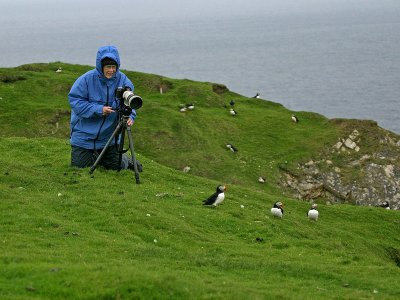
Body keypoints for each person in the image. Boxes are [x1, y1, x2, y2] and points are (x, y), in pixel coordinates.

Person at [68, 45, 139, 171]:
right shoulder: (86, 80)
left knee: (118, 166)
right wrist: (98, 110)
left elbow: (130, 103)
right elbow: (75, 101)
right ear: (101, 66)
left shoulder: (123, 80)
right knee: (80, 166)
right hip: (84, 137)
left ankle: (125, 159)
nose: (111, 70)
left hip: (109, 138)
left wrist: (130, 117)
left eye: (113, 67)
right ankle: (95, 155)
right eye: (108, 67)